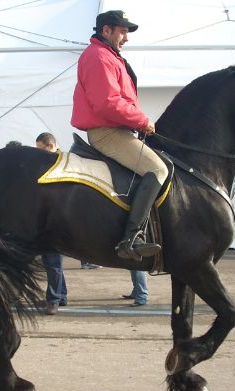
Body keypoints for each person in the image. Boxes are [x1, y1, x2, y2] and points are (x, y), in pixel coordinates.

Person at [71, 10, 168, 262]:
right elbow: (108, 103)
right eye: (122, 31)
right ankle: (131, 238)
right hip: (108, 133)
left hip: (118, 130)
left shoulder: (109, 56)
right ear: (106, 30)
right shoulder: (98, 56)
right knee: (158, 170)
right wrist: (143, 121)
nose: (126, 38)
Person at [35, 133, 68, 315]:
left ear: (49, 146)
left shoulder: (58, 165)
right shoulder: (60, 162)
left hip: (55, 221)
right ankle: (61, 295)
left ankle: (53, 300)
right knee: (54, 263)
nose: (38, 153)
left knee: (52, 262)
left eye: (40, 149)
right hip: (51, 219)